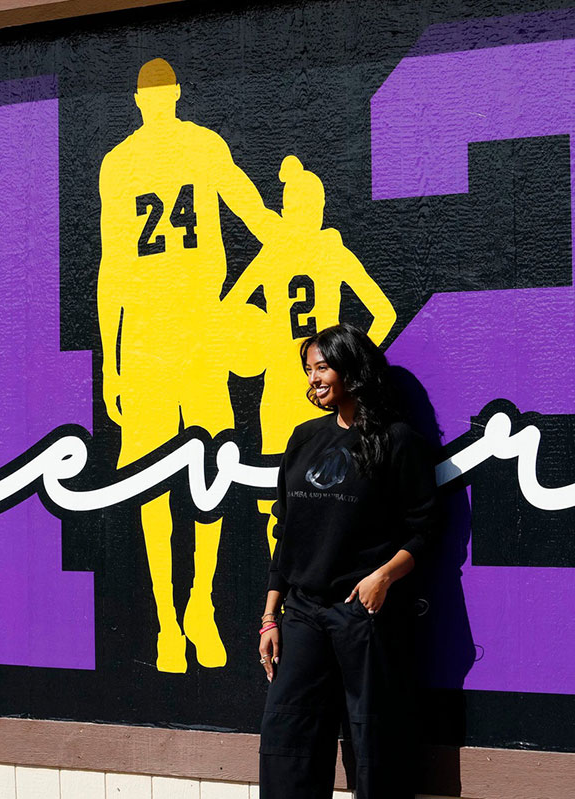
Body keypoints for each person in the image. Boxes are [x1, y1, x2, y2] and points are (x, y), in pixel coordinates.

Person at [97, 57, 278, 672]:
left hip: (184, 330)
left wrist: (111, 361)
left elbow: (111, 274)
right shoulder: (163, 154)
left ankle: (193, 609)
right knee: (169, 479)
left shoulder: (138, 159)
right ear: (161, 95)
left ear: (149, 96)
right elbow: (115, 268)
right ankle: (170, 622)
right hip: (161, 334)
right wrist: (113, 364)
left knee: (205, 473)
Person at [257, 324, 438, 799]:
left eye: (322, 368)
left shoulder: (398, 442)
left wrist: (382, 577)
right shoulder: (303, 439)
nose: (313, 380)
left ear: (352, 371)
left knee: (372, 739)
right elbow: (287, 530)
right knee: (288, 737)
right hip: (303, 611)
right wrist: (270, 614)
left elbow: (424, 529)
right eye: (308, 370)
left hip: (363, 613)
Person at [225, 157, 396, 556]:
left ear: (287, 210)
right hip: (321, 395)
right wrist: (352, 364)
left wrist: (261, 339)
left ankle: (285, 589)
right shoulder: (329, 250)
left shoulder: (273, 254)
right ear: (317, 211)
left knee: (278, 501)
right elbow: (383, 312)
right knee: (323, 494)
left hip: (284, 392)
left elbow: (230, 308)